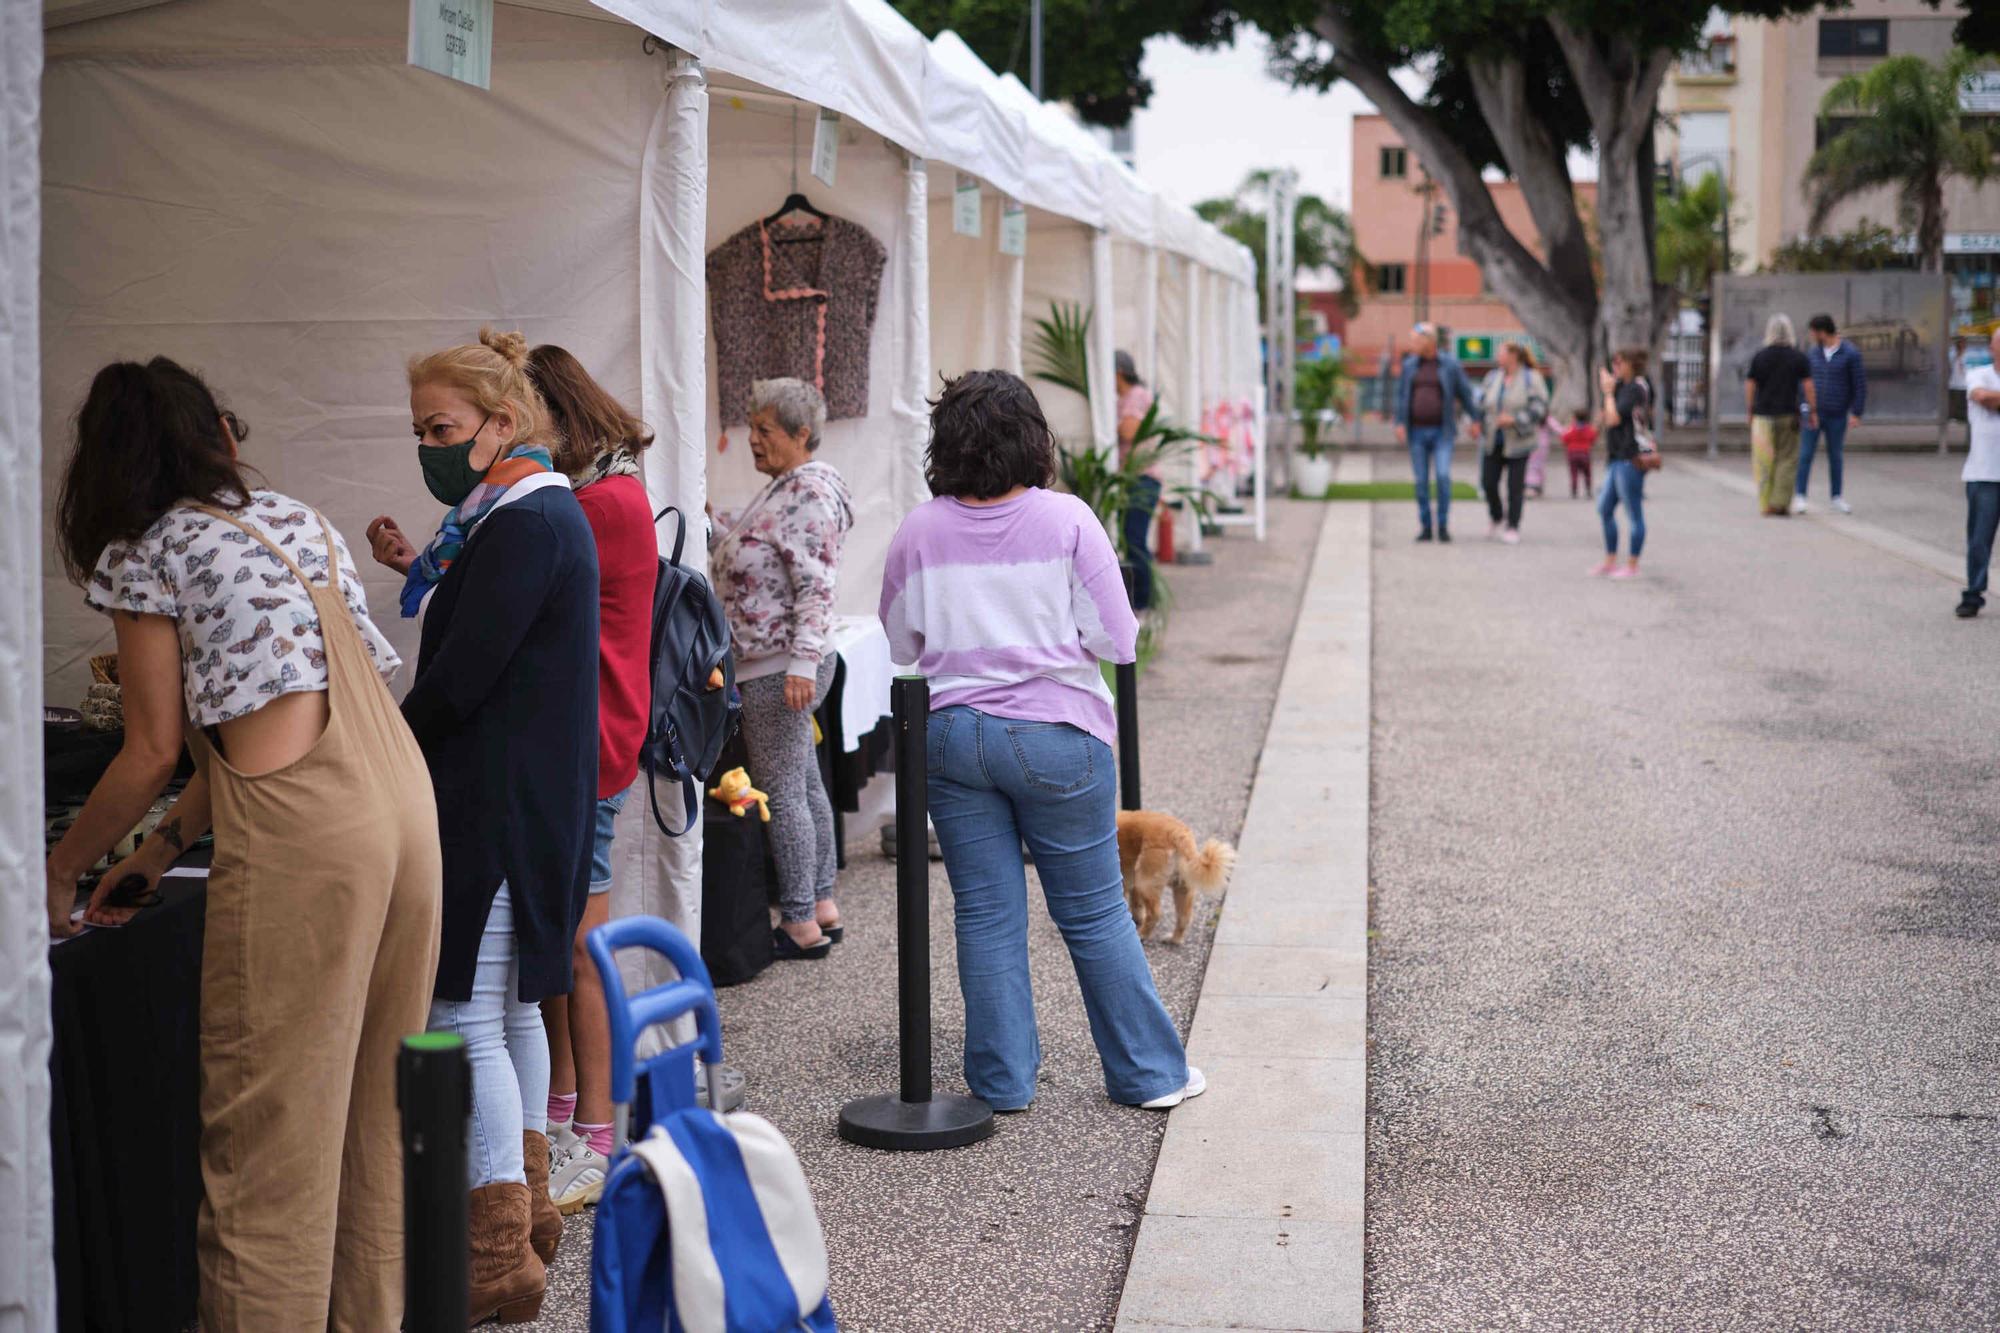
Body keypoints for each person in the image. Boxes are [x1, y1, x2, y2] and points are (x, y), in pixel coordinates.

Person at [46, 358, 440, 1330]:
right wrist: (155, 851)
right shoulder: (296, 517)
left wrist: (57, 869)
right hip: (399, 802)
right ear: (210, 431)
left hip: (310, 836)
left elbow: (149, 749)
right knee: (371, 1125)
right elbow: (282, 717)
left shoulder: (149, 547)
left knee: (268, 1151)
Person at [880, 369, 1202, 1113]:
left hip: (955, 737)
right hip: (1058, 739)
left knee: (986, 914)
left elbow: (900, 638)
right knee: (1092, 912)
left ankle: (1001, 1084)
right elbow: (1118, 640)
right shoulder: (1069, 521)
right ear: (1033, 438)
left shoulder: (920, 529)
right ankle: (1150, 1075)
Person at [369, 328, 599, 1325]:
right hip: (522, 801)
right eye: (419, 427)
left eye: (442, 426)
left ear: (501, 424)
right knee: (505, 1013)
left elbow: (461, 680)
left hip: (497, 807)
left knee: (468, 1018)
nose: (427, 444)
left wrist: (378, 741)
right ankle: (527, 1220)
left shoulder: (523, 523)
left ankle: (495, 1255)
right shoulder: (518, 514)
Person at [522, 345, 659, 1215]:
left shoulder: (597, 505)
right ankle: (567, 1115)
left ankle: (601, 1136)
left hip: (593, 745)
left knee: (579, 946)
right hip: (594, 740)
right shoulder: (611, 491)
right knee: (562, 948)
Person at [710, 377, 854, 960]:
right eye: (752, 426)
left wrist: (799, 662)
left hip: (778, 667)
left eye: (765, 429)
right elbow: (757, 553)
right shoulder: (789, 488)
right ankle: (820, 903)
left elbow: (814, 586)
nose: (753, 439)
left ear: (801, 434)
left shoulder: (806, 494)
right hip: (781, 663)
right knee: (805, 783)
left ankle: (798, 921)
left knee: (784, 791)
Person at [1394, 322, 1482, 542]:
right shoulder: (1410, 365)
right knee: (1421, 481)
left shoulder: (1450, 365)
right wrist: (1399, 422)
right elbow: (1401, 396)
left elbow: (1464, 392)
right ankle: (1425, 526)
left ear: (1429, 341)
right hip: (1416, 432)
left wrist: (1475, 419)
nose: (1412, 344)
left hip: (1442, 432)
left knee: (1443, 476)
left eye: (1415, 340)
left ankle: (1442, 525)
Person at [1476, 341, 1550, 544]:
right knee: (1488, 483)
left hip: (1519, 441)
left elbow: (1540, 407)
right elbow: (1482, 403)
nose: (1498, 357)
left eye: (1501, 353)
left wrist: (1515, 420)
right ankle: (1497, 516)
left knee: (1514, 487)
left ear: (1513, 356)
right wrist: (1477, 423)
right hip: (1493, 439)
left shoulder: (1531, 378)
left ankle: (1513, 525)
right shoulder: (1493, 377)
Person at [1794, 313, 1867, 514]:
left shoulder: (1850, 354)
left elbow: (1858, 384)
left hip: (1837, 413)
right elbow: (1804, 382)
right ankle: (1800, 495)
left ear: (1822, 332)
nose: (1811, 337)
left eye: (1813, 332)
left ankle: (1836, 496)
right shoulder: (1813, 353)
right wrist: (1803, 405)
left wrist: (1856, 412)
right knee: (1805, 454)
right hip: (1813, 413)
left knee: (1835, 455)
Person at [1745, 314, 1817, 516]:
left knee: (1763, 460)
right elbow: (1808, 386)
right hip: (1788, 414)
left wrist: (1750, 409)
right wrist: (1812, 410)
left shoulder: (1760, 356)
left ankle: (1766, 502)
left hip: (1762, 415)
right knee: (1787, 459)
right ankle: (1780, 502)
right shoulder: (1798, 356)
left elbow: (1750, 384)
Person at [1592, 349, 1654, 580]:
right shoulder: (1623, 388)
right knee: (1605, 508)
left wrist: (1608, 393)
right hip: (1616, 456)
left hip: (1631, 457)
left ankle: (1632, 564)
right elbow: (1604, 418)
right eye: (1613, 362)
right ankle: (1610, 560)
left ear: (1631, 363)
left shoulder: (1637, 388)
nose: (1615, 366)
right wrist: (1608, 392)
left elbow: (1614, 418)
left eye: (1619, 362)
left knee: (1633, 513)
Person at [1114, 349, 1162, 609]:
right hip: (1137, 479)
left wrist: (1115, 425)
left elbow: (1129, 431)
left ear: (1119, 372)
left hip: (1142, 478)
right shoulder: (1130, 397)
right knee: (1133, 538)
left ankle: (1144, 599)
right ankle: (1142, 597)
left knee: (1135, 538)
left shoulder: (1135, 396)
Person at [1960, 328, 2000, 619]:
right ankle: (1973, 594)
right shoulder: (1979, 373)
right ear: (1992, 347)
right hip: (1984, 473)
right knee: (1979, 540)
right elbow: (1982, 397)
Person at [1561, 408, 1598, 499]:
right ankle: (1588, 490)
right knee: (1587, 473)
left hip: (1572, 454)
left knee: (1574, 473)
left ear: (1574, 418)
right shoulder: (1588, 429)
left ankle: (1574, 490)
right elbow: (1593, 438)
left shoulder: (1571, 429)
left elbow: (1564, 438)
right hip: (1585, 454)